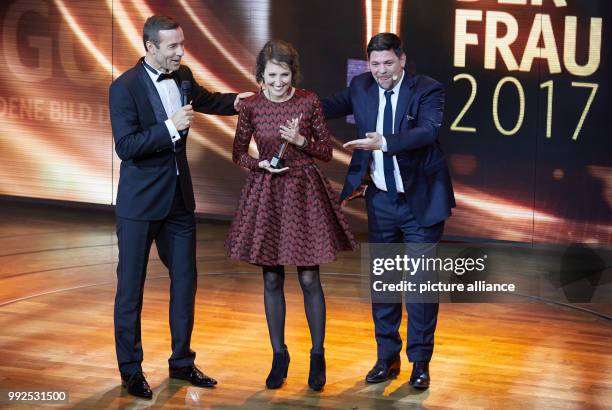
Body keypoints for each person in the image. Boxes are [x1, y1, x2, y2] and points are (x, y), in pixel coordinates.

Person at [109, 15, 252, 399]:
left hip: (178, 201)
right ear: (150, 47)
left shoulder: (184, 75)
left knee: (186, 281)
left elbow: (208, 100)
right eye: (172, 46)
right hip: (139, 205)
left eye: (182, 44)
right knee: (131, 289)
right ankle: (131, 370)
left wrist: (242, 101)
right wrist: (170, 128)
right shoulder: (124, 88)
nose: (180, 52)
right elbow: (126, 146)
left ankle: (182, 362)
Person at [321, 32, 455, 390]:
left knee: (420, 286)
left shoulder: (427, 89)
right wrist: (280, 98)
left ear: (402, 60)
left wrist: (385, 142)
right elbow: (322, 107)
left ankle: (420, 363)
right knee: (384, 284)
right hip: (381, 202)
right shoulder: (361, 86)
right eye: (375, 64)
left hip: (421, 202)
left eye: (388, 63)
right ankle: (386, 357)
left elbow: (427, 132)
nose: (381, 71)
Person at [225, 40, 357, 391]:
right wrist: (261, 164)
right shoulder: (251, 106)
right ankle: (279, 354)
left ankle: (317, 355)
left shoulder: (308, 101)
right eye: (272, 75)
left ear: (292, 74)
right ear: (260, 76)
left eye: (284, 74)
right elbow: (238, 153)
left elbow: (326, 152)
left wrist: (300, 140)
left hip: (302, 192)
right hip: (268, 190)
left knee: (310, 278)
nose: (279, 82)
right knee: (271, 279)